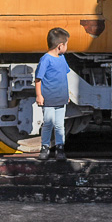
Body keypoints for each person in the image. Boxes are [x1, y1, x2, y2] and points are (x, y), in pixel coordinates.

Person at [35, 27, 72, 161]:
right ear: (60, 46)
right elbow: (38, 79)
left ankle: (60, 148)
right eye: (66, 44)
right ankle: (44, 147)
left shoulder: (62, 58)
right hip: (49, 99)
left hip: (61, 98)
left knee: (59, 124)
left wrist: (66, 94)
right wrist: (39, 95)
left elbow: (64, 76)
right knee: (48, 123)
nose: (67, 47)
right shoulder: (45, 59)